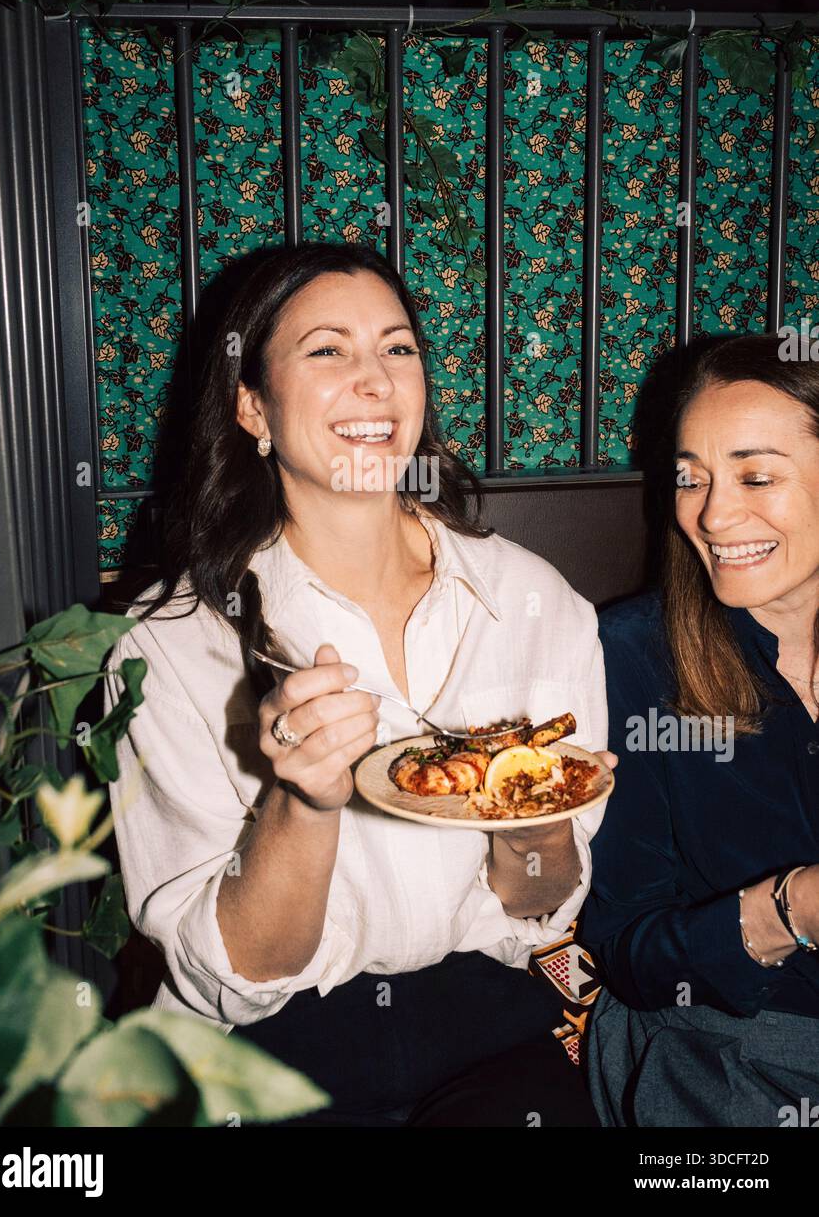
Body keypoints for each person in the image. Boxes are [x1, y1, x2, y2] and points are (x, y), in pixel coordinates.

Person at [104, 241, 614, 1127]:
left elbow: (535, 904)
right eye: (327, 350)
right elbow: (241, 975)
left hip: (487, 1023)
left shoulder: (536, 603)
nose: (374, 380)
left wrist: (532, 814)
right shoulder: (169, 646)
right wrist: (301, 802)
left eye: (398, 347)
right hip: (266, 1048)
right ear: (251, 408)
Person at [579, 333, 819, 1128]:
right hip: (728, 1051)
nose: (713, 513)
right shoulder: (633, 656)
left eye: (755, 476)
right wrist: (789, 911)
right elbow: (626, 954)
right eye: (691, 478)